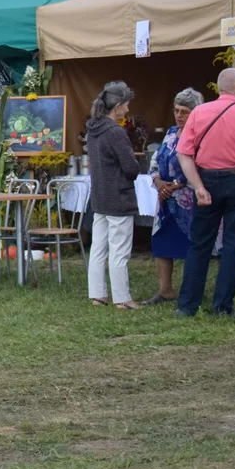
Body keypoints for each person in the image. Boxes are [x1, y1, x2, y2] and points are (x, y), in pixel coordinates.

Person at [176, 68, 235, 317]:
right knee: (233, 243)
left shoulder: (199, 112)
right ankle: (222, 307)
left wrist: (198, 186)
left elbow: (184, 152)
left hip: (207, 180)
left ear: (218, 88)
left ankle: (187, 306)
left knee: (199, 244)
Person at [145, 88, 206, 305]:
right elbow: (155, 161)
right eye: (176, 110)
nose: (179, 115)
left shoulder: (201, 134)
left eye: (185, 111)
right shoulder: (171, 133)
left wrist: (177, 184)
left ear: (196, 112)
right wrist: (158, 181)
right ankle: (165, 289)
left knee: (190, 244)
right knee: (161, 241)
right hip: (165, 199)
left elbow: (201, 164)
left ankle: (191, 291)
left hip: (188, 199)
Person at [85, 81, 141, 310]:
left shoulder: (92, 129)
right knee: (119, 250)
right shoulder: (116, 132)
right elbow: (131, 168)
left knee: (98, 248)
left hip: (100, 196)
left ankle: (98, 295)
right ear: (117, 106)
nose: (128, 109)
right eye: (126, 105)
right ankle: (123, 298)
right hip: (118, 196)